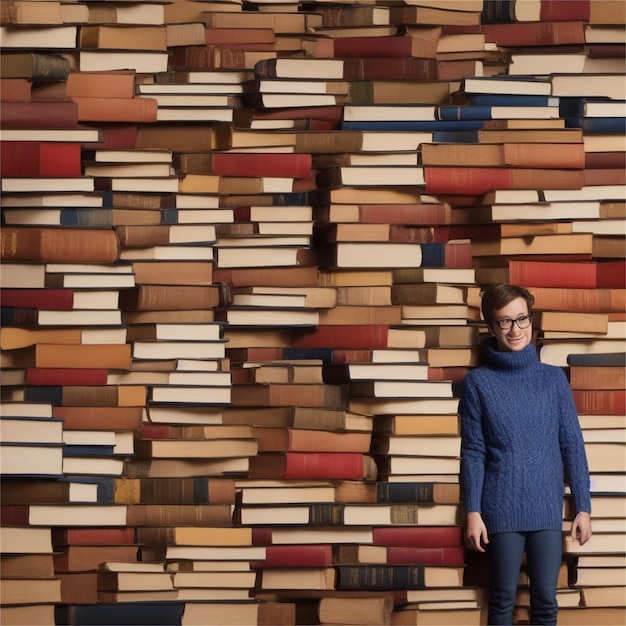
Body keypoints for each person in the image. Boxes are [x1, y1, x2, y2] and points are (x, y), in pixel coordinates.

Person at [460, 284, 592, 626]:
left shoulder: (553, 380)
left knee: (546, 604)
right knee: (502, 601)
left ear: (531, 321)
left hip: (546, 507)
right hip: (500, 507)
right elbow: (473, 451)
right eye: (505, 322)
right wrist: (472, 510)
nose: (515, 329)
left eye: (522, 319)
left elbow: (572, 445)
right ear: (490, 328)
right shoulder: (478, 383)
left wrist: (583, 507)